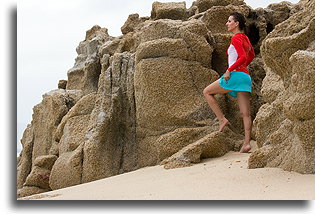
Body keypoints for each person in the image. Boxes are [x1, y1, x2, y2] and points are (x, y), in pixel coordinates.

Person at [203, 12, 255, 153]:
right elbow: (251, 55)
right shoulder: (245, 38)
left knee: (207, 92)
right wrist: (242, 68)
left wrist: (230, 70)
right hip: (245, 76)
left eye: (229, 21)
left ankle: (221, 120)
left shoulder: (236, 38)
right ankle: (246, 143)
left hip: (235, 74)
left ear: (237, 23)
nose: (227, 23)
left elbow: (243, 56)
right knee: (245, 113)